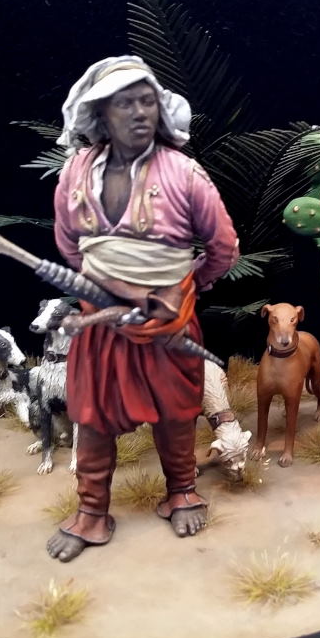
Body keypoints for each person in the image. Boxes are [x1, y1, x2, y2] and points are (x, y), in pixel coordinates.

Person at [46, 56, 239, 562]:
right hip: (101, 328)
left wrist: (184, 289)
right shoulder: (76, 173)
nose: (139, 113)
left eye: (147, 101)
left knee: (177, 413)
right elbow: (68, 243)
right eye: (125, 103)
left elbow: (223, 247)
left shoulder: (184, 173)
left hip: (168, 325)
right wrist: (107, 287)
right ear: (100, 113)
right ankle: (91, 511)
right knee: (92, 418)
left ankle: (182, 491)